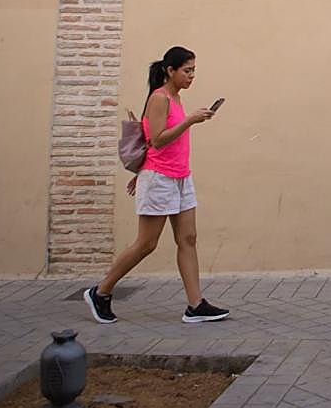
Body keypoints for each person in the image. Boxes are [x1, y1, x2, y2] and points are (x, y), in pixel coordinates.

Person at [84, 46, 231, 323]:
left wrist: (189, 120)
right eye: (187, 70)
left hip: (181, 177)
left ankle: (196, 305)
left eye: (194, 71)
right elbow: (158, 140)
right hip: (160, 179)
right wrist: (190, 121)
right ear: (170, 71)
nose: (191, 76)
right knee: (146, 243)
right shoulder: (159, 98)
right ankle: (100, 291)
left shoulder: (176, 98)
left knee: (188, 239)